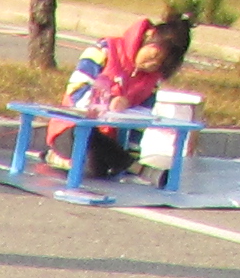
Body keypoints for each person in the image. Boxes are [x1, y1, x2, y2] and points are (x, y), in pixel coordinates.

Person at [59, 11, 197, 180]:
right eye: (153, 55)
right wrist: (109, 102)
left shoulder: (151, 81)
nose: (150, 65)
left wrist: (131, 152)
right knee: (88, 142)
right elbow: (76, 91)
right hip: (70, 130)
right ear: (148, 36)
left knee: (97, 170)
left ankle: (127, 164)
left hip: (111, 143)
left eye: (158, 64)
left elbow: (140, 121)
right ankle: (138, 169)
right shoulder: (104, 50)